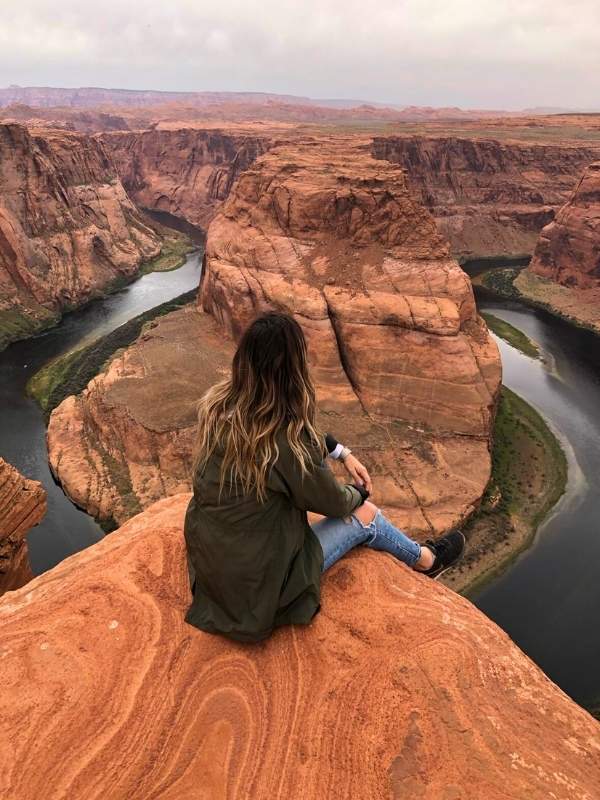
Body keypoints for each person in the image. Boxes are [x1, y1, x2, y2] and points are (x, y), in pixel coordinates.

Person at [184, 312, 465, 642]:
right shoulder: (285, 440)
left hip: (212, 564)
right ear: (293, 370)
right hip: (259, 587)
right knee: (367, 517)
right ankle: (427, 561)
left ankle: (424, 557)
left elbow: (293, 438)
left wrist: (340, 452)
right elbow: (333, 503)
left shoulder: (217, 406)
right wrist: (359, 492)